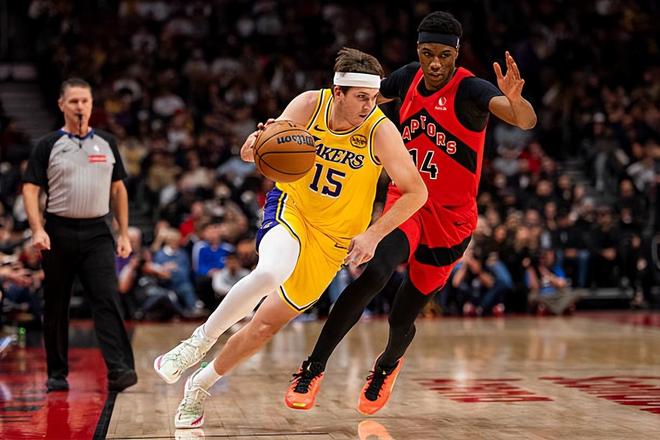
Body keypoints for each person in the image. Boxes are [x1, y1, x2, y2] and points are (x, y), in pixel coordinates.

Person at [153, 47, 427, 429]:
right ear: (338, 92)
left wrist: (373, 235)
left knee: (264, 327)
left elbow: (416, 192)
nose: (370, 105)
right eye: (362, 97)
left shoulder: (380, 131)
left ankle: (198, 385)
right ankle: (195, 344)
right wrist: (254, 146)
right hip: (291, 208)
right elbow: (257, 151)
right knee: (271, 272)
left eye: (373, 97)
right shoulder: (309, 105)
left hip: (332, 242)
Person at [286, 11, 537, 415]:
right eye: (427, 53)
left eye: (444, 55)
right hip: (407, 203)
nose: (435, 63)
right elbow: (355, 98)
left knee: (402, 316)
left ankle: (386, 366)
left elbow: (524, 121)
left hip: (451, 221)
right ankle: (312, 368)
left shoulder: (471, 89)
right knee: (374, 273)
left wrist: (515, 100)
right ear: (417, 51)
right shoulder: (405, 79)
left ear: (456, 55)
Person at [22, 78, 137, 392]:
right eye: (73, 101)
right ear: (61, 105)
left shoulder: (107, 142)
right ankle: (56, 374)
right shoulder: (48, 144)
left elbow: (119, 189)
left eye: (85, 101)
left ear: (91, 104)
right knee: (56, 304)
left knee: (107, 299)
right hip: (58, 231)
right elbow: (30, 189)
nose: (80, 107)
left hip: (98, 232)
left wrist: (123, 234)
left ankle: (120, 370)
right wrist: (37, 229)